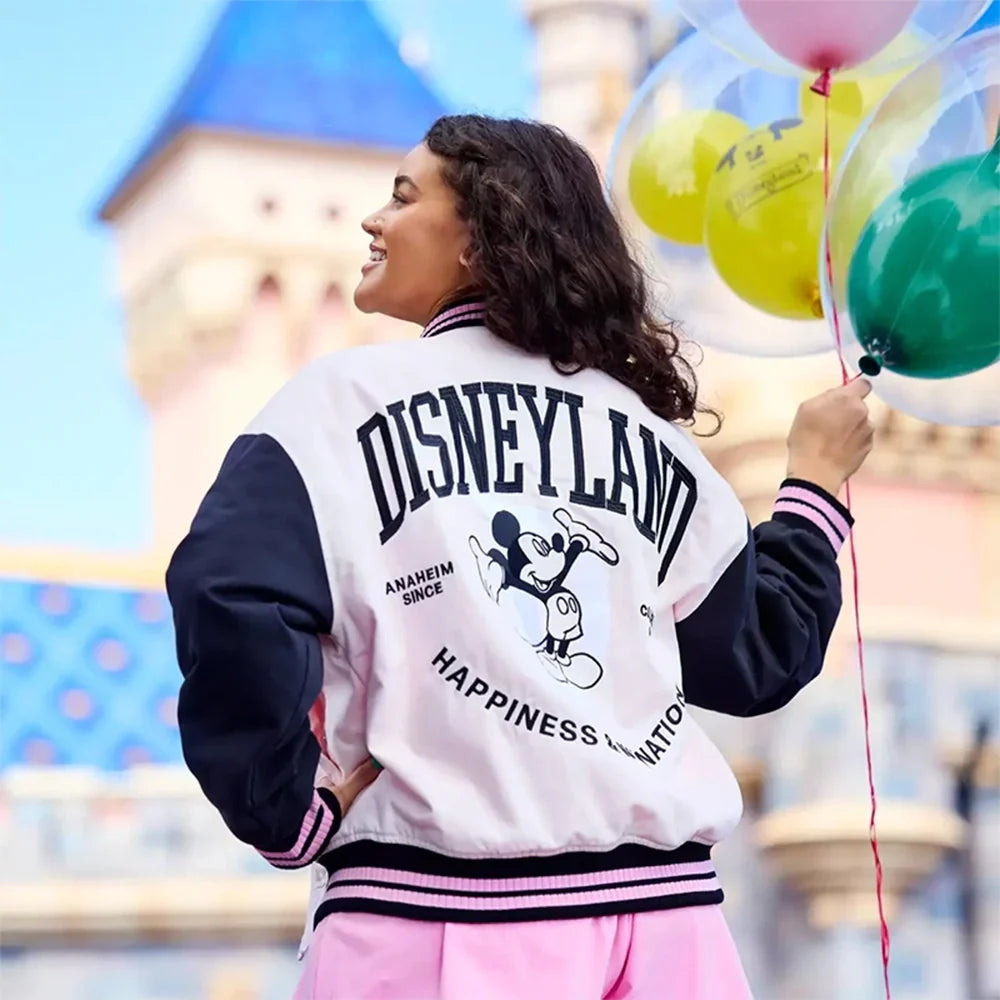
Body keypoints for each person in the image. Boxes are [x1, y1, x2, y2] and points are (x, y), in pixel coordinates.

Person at [166, 115, 874, 1000]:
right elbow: (757, 654)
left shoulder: (330, 411)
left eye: (402, 195)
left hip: (440, 919)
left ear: (480, 232)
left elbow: (230, 593)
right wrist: (813, 481)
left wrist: (281, 810)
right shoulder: (648, 437)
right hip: (667, 937)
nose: (371, 222)